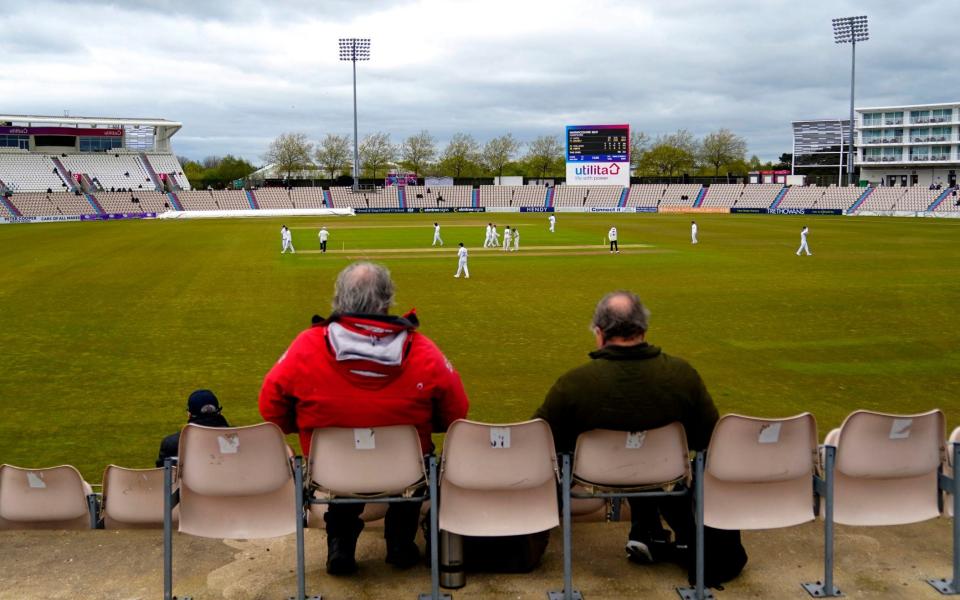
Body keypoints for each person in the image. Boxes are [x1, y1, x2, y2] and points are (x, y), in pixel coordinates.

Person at [259, 262, 469, 576]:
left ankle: (340, 547)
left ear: (339, 299)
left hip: (330, 473)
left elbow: (271, 409)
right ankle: (400, 545)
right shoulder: (422, 350)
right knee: (412, 474)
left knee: (348, 473)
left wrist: (310, 428)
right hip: (406, 472)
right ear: (387, 301)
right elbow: (456, 413)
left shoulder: (307, 345)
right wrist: (419, 425)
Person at [533, 291, 719, 567]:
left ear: (599, 333)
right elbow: (710, 438)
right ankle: (652, 532)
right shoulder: (682, 376)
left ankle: (648, 532)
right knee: (650, 452)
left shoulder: (575, 384)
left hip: (593, 479)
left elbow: (538, 440)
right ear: (643, 329)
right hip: (665, 477)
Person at [156, 389, 230, 467]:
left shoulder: (172, 444)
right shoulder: (238, 437)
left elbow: (163, 475)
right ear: (220, 412)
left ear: (189, 414)